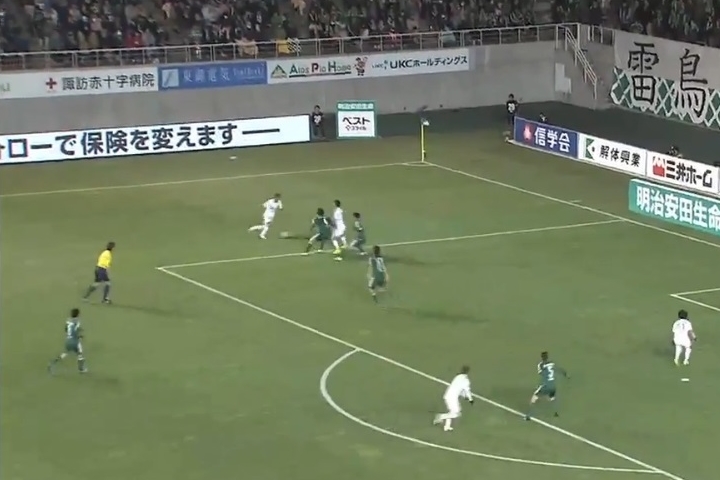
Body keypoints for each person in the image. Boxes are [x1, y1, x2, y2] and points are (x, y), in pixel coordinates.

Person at [525, 351, 568, 420]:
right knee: (552, 398)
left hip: (545, 386)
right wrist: (565, 374)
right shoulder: (552, 363)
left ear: (542, 357)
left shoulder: (540, 365)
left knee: (534, 398)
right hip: (553, 385)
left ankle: (528, 416)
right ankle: (556, 413)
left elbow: (543, 375)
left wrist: (539, 385)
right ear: (547, 357)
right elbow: (559, 370)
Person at [433, 365, 473, 431]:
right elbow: (467, 390)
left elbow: (459, 388)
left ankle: (447, 427)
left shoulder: (457, 377)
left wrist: (464, 396)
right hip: (452, 397)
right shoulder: (466, 381)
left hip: (448, 395)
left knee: (452, 412)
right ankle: (440, 416)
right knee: (457, 414)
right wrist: (470, 399)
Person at [48, 308, 88, 374]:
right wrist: (80, 336)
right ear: (78, 314)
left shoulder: (68, 321)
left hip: (68, 341)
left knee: (65, 353)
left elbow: (66, 329)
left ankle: (53, 362)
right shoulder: (77, 322)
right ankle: (81, 369)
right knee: (80, 354)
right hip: (75, 342)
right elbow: (76, 330)